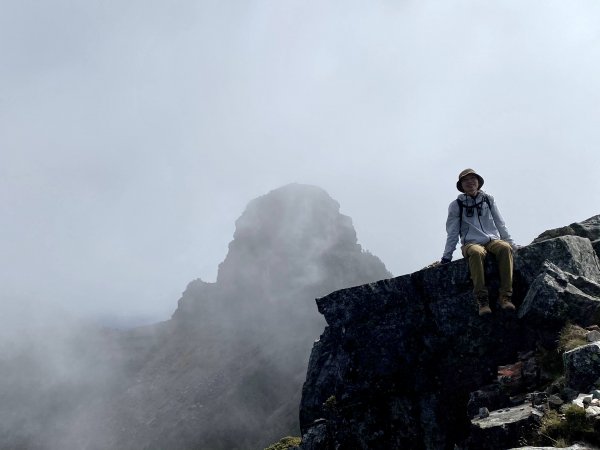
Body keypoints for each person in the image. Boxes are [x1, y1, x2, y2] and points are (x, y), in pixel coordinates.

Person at [441, 169, 518, 316]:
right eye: (466, 180)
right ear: (461, 185)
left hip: (492, 240)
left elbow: (500, 223)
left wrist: (511, 243)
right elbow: (452, 232)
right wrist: (447, 257)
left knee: (505, 248)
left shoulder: (488, 199)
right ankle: (482, 300)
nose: (470, 182)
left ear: (478, 182)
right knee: (476, 253)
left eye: (473, 179)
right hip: (470, 243)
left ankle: (506, 297)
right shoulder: (456, 205)